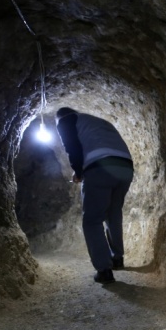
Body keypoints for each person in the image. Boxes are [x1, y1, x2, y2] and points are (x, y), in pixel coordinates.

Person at [55, 107, 134, 284]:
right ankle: (117, 258)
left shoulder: (66, 120)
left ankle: (104, 270)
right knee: (113, 213)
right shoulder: (97, 121)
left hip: (100, 166)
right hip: (125, 166)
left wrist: (78, 171)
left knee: (92, 219)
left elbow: (72, 147)